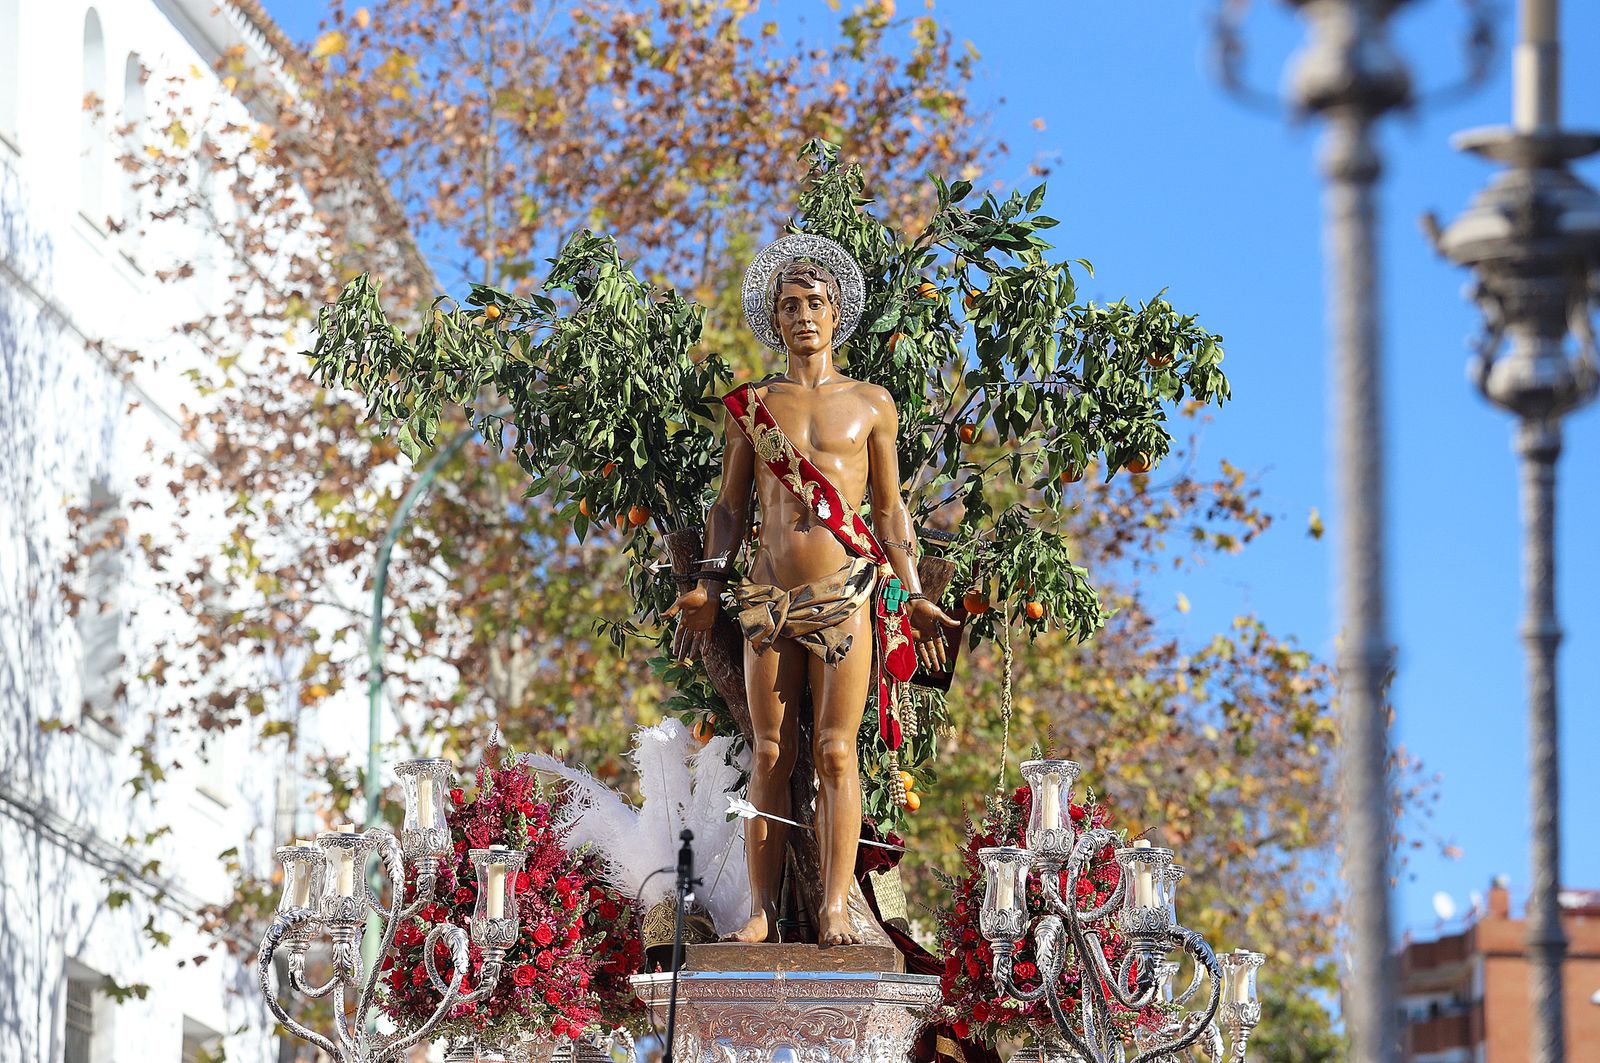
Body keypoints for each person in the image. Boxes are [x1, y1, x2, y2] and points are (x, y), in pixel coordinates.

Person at [666, 242, 957, 947]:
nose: (803, 315)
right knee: (768, 753)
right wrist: (709, 582)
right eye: (790, 305)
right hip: (768, 597)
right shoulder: (754, 406)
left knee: (834, 751)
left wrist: (914, 593)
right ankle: (762, 911)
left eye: (815, 303)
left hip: (846, 593)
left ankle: (832, 908)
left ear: (837, 314)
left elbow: (889, 511)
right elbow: (730, 508)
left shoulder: (872, 404)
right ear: (774, 317)